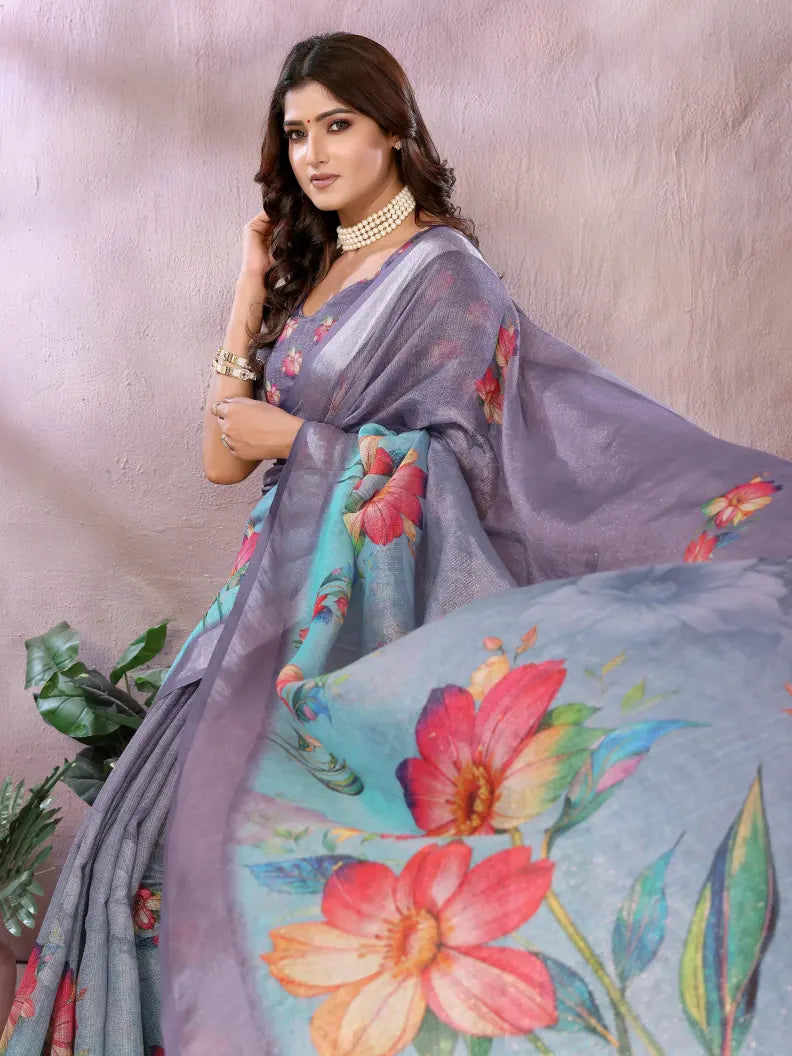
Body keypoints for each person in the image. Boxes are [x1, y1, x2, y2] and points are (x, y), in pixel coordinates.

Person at [4, 30, 791, 1056]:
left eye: (338, 126)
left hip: (366, 611)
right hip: (267, 593)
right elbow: (219, 458)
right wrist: (249, 286)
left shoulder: (442, 273)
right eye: (296, 134)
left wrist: (304, 445)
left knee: (310, 858)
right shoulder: (317, 275)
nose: (315, 154)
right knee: (164, 835)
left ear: (393, 132)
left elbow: (472, 461)